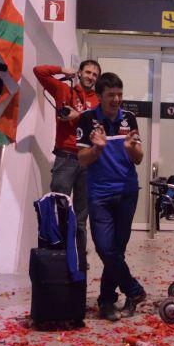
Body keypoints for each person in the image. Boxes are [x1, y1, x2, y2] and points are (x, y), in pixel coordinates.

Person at [76, 72, 146, 321]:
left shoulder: (129, 118)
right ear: (99, 96)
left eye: (119, 94)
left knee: (117, 250)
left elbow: (139, 158)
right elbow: (82, 160)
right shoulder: (87, 119)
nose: (116, 100)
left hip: (127, 192)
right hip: (100, 195)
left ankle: (106, 301)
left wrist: (131, 149)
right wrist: (97, 148)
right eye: (111, 95)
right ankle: (134, 290)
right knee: (105, 249)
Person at [34, 59, 101, 256]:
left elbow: (99, 126)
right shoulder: (63, 89)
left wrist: (77, 116)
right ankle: (58, 258)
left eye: (94, 75)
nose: (90, 77)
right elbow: (39, 71)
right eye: (87, 72)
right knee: (59, 210)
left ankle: (79, 259)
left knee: (81, 217)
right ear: (79, 73)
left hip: (88, 161)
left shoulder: (98, 100)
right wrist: (62, 70)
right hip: (65, 157)